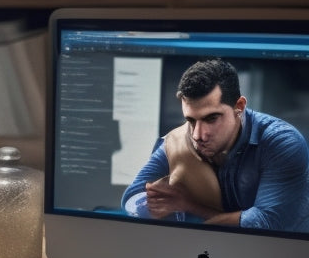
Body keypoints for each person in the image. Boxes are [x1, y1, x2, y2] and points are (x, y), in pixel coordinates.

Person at [122, 58, 309, 233]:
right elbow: (131, 197)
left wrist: (189, 206)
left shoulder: (281, 142)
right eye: (191, 120)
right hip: (208, 254)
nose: (198, 135)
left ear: (240, 106)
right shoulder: (179, 140)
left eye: (211, 118)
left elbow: (266, 223)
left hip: (283, 256)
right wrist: (159, 203)